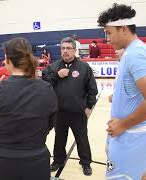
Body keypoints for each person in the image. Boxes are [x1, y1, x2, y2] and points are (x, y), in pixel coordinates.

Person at [97, 3, 146, 180]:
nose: (107, 39)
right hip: (135, 133)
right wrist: (119, 96)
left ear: (124, 29)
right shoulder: (132, 51)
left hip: (132, 134)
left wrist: (123, 124)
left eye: (109, 33)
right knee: (138, 175)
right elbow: (136, 89)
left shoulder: (135, 55)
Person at [0, 37, 58, 180]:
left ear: (7, 60)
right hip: (37, 159)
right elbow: (51, 122)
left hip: (6, 161)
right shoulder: (46, 88)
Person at [42, 37, 98, 176]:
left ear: (74, 50)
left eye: (68, 48)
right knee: (59, 138)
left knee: (82, 138)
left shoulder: (84, 67)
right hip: (59, 112)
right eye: (63, 48)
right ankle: (57, 161)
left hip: (78, 112)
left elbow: (92, 89)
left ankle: (86, 163)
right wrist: (57, 75)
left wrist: (89, 107)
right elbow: (44, 84)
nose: (65, 51)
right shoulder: (53, 67)